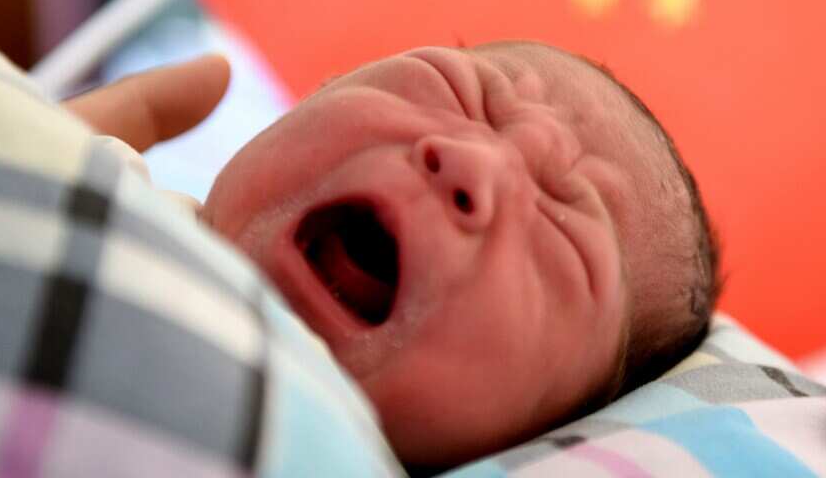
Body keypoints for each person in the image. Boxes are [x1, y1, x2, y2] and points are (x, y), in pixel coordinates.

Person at [196, 41, 721, 467]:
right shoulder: (122, 173)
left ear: (541, 439)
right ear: (323, 90)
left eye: (561, 235)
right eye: (456, 93)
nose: (474, 163)